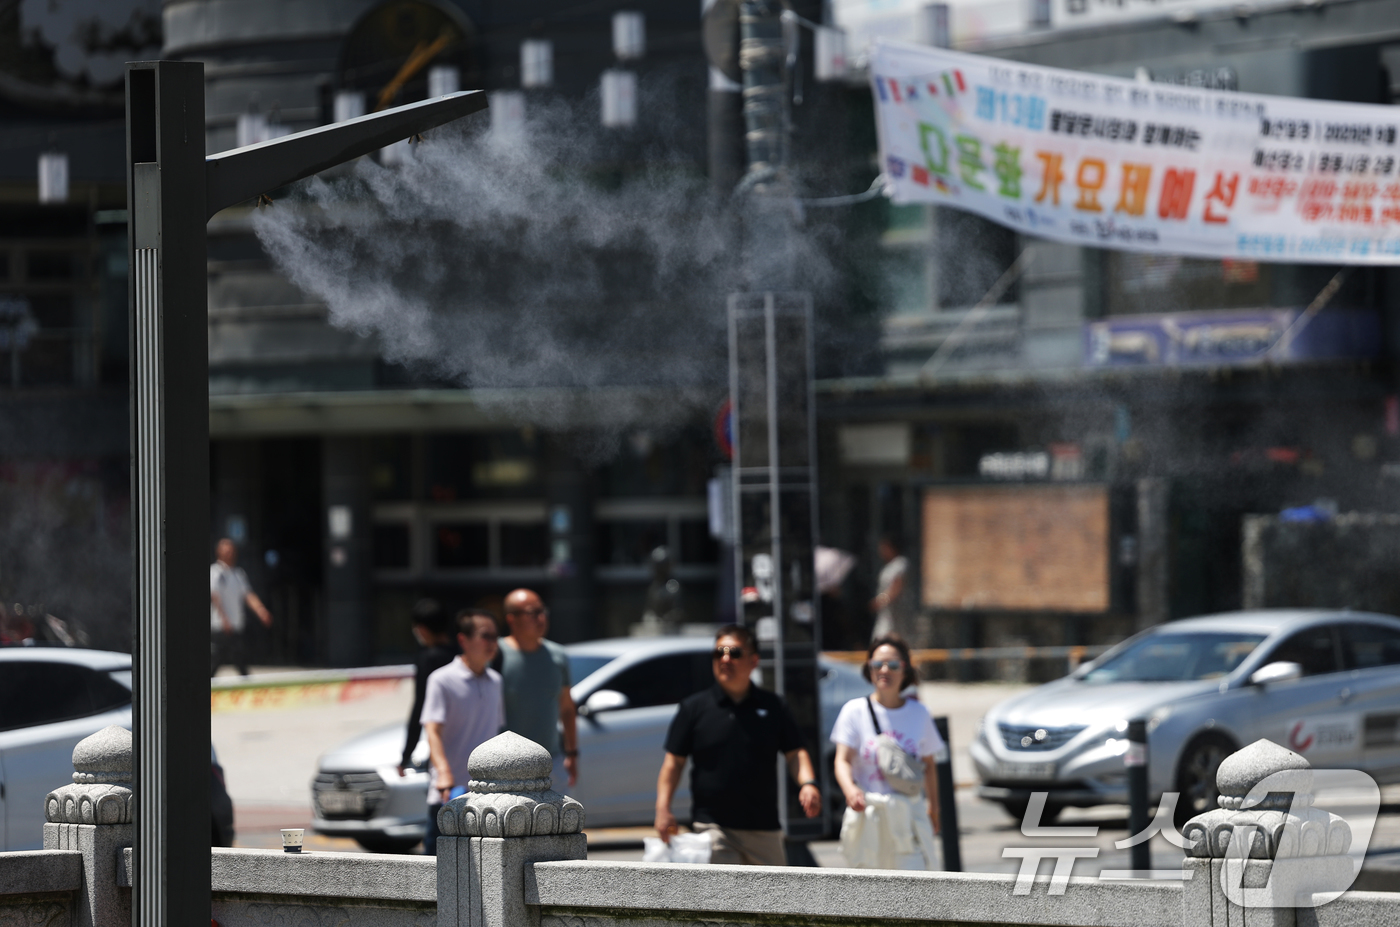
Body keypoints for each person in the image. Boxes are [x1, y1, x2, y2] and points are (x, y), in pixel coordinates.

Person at [654, 625, 821, 866]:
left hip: (765, 830)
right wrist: (663, 808)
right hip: (713, 828)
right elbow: (673, 764)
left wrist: (808, 784)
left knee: (773, 901)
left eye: (734, 653)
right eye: (718, 653)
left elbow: (795, 753)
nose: (725, 659)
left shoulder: (773, 706)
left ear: (754, 661)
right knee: (721, 900)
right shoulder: (694, 709)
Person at [831, 634, 943, 870]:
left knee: (913, 888)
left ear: (905, 670)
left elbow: (929, 765)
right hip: (869, 816)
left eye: (893, 665)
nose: (884, 670)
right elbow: (842, 760)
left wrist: (934, 807)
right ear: (868, 669)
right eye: (877, 664)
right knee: (868, 892)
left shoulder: (919, 713)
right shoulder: (854, 711)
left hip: (908, 815)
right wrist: (850, 790)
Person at [420, 609, 504, 855]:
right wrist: (444, 774)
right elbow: (432, 730)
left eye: (495, 637)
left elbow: (496, 734)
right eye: (485, 636)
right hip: (448, 795)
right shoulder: (441, 679)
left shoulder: (496, 681)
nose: (492, 643)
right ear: (463, 640)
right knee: (436, 873)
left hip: (486, 798)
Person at [498, 588, 578, 787]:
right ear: (511, 619)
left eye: (542, 611)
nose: (541, 618)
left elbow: (567, 708)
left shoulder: (558, 655)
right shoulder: (495, 655)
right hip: (505, 766)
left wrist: (572, 753)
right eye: (532, 613)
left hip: (551, 763)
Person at [399, 598, 460, 776]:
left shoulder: (428, 658)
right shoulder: (462, 653)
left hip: (443, 744)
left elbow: (421, 705)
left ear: (422, 630)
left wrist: (406, 755)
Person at [210, 538, 271, 677]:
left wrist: (261, 611)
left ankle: (247, 688)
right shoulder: (215, 572)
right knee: (216, 661)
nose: (230, 553)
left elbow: (248, 595)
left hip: (236, 625)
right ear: (218, 552)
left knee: (240, 660)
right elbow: (215, 597)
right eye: (226, 550)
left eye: (232, 550)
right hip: (220, 627)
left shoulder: (238, 574)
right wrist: (224, 619)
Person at [869, 536, 912, 641]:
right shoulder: (889, 565)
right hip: (887, 613)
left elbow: (897, 586)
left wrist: (881, 600)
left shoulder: (900, 563)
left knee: (888, 639)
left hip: (897, 613)